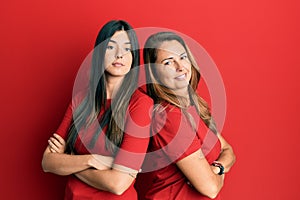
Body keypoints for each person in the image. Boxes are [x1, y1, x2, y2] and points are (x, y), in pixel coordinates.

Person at [41, 20, 153, 199]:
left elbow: (118, 184)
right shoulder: (81, 100)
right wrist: (91, 160)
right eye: (110, 47)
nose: (119, 55)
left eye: (126, 48)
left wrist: (69, 161)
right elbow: (47, 162)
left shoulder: (140, 104)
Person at [137, 32, 236, 199]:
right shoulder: (169, 117)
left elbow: (228, 150)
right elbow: (210, 188)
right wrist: (218, 172)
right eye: (168, 62)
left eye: (183, 57)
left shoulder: (192, 106)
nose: (180, 67)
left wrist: (216, 169)